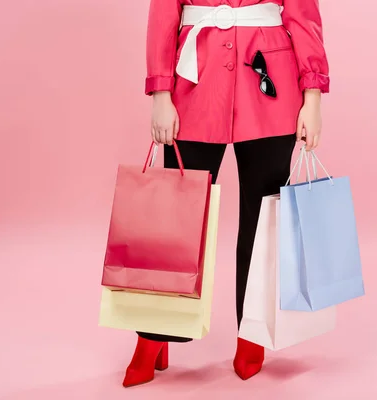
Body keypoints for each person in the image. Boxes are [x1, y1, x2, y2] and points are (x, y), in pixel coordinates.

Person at [122, 0, 330, 387]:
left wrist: (313, 95)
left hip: (272, 87)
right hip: (193, 84)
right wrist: (160, 94)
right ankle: (154, 335)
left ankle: (252, 332)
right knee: (177, 223)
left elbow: (304, 16)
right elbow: (163, 14)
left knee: (263, 220)